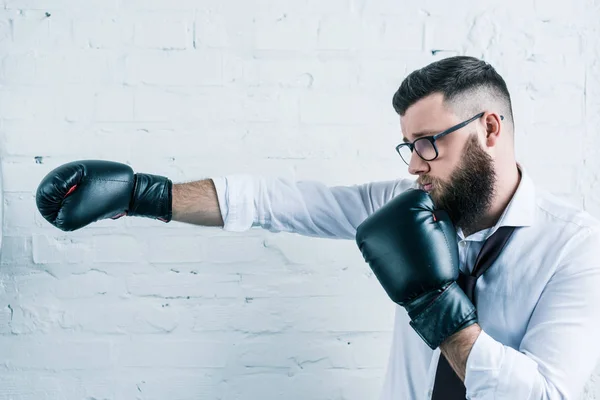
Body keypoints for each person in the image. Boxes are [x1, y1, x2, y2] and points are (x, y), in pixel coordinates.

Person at [35, 56, 600, 399]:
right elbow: (277, 202)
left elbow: (548, 395)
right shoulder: (410, 204)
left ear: (491, 129)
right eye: (409, 144)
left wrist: (438, 309)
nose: (413, 163)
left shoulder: (573, 246)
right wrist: (143, 195)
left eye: (430, 143)